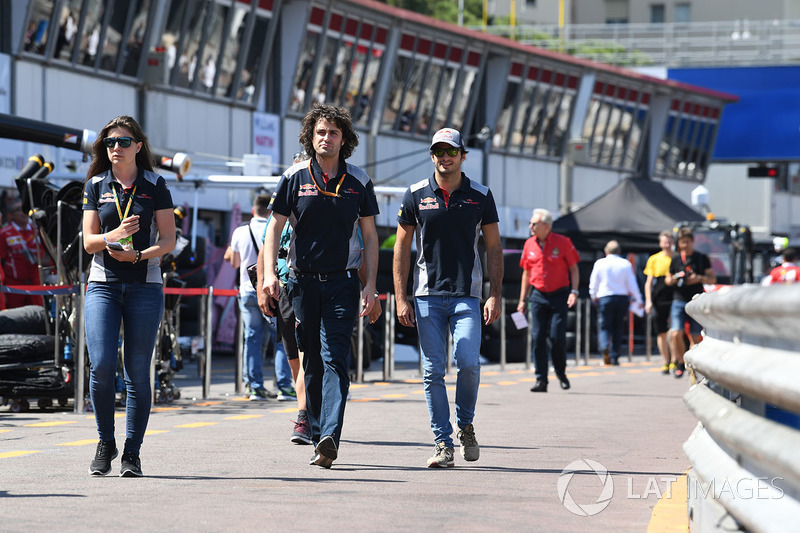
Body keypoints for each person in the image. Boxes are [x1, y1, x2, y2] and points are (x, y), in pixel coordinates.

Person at [261, 103, 379, 469]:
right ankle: (316, 432)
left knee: (335, 360)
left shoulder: (358, 180)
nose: (326, 139)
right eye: (320, 133)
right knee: (311, 361)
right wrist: (269, 275)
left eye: (334, 133)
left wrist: (371, 285)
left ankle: (330, 435)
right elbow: (274, 229)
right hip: (301, 283)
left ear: (345, 140)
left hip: (343, 284)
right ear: (310, 138)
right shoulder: (294, 176)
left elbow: (371, 237)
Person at [393, 128, 502, 468]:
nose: (445, 157)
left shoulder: (481, 195)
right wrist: (400, 297)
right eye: (438, 151)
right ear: (431, 156)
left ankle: (465, 425)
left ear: (462, 156)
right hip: (426, 295)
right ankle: (443, 442)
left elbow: (495, 248)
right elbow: (400, 247)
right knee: (432, 371)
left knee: (468, 362)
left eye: (451, 151)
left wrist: (495, 294)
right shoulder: (415, 194)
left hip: (467, 294)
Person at [82, 115, 175, 477]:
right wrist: (113, 235)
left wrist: (137, 254)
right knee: (102, 364)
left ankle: (132, 453)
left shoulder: (155, 184)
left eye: (122, 142)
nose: (115, 148)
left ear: (138, 145)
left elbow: (167, 241)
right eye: (109, 142)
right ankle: (106, 441)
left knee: (137, 370)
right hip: (103, 284)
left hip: (145, 285)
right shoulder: (95, 184)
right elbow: (89, 242)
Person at [517, 208, 580, 393]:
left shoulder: (563, 242)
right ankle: (541, 379)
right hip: (537, 295)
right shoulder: (529, 244)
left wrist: (574, 291)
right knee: (537, 338)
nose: (530, 226)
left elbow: (574, 268)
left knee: (556, 337)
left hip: (559, 295)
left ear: (546, 226)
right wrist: (522, 300)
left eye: (533, 224)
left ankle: (560, 372)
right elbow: (526, 273)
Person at [224, 194, 276, 400]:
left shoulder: (241, 231)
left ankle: (254, 386)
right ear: (270, 211)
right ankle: (284, 386)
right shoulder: (275, 228)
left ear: (253, 210)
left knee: (252, 338)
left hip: (247, 289)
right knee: (279, 340)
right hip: (272, 291)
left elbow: (235, 263)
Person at [665, 227, 715, 379]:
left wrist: (698, 278)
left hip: (696, 300)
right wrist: (673, 279)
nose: (684, 245)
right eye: (682, 242)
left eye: (687, 242)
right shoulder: (675, 259)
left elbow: (712, 279)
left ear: (692, 241)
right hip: (679, 299)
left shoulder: (701, 258)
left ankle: (693, 366)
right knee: (675, 333)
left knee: (695, 337)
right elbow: (667, 280)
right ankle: (680, 362)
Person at [589, 240, 643, 366]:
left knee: (604, 326)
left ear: (606, 251)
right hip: (621, 298)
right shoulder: (625, 264)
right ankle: (615, 356)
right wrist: (638, 299)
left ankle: (604, 346)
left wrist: (593, 296)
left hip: (605, 297)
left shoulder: (600, 263)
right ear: (619, 251)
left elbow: (594, 282)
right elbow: (632, 284)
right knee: (618, 327)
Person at [0, 199, 46, 308]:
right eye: (19, 210)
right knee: (15, 318)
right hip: (14, 284)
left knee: (37, 315)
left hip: (36, 282)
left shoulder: (38, 231)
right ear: (11, 214)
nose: (23, 213)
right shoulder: (4, 233)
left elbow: (49, 256)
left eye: (25, 209)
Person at [644, 231, 675, 374]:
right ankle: (665, 361)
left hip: (675, 295)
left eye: (669, 241)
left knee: (674, 331)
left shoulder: (677, 258)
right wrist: (648, 301)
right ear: (660, 243)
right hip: (659, 296)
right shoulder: (654, 259)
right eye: (665, 242)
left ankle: (675, 360)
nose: (667, 245)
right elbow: (648, 282)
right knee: (661, 332)